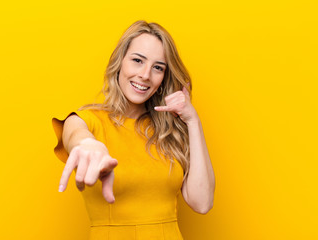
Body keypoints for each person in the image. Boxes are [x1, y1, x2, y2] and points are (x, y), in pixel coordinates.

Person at [52, 20, 215, 240]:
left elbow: (202, 202)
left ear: (164, 77)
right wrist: (87, 144)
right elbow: (75, 135)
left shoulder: (168, 131)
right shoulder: (88, 120)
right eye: (137, 60)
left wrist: (193, 121)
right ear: (120, 63)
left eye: (158, 67)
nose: (145, 75)